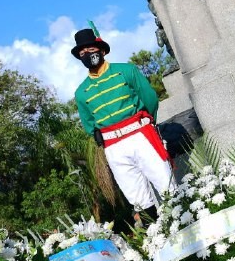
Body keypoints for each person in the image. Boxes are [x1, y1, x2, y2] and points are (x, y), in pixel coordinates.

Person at [71, 27, 175, 220]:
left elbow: (150, 99)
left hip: (141, 134)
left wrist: (146, 123)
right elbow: (89, 124)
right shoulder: (81, 92)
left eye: (91, 49)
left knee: (165, 182)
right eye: (82, 52)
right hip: (113, 147)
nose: (87, 54)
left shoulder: (126, 71)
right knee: (136, 195)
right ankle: (157, 229)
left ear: (102, 50)